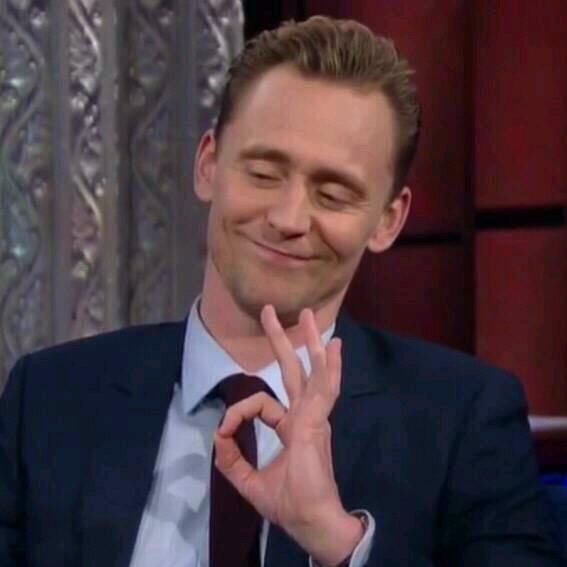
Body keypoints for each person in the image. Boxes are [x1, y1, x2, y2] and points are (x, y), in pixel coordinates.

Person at [0, 15, 562, 567]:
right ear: (208, 165)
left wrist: (338, 544)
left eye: (333, 194)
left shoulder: (463, 421)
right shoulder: (49, 400)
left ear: (388, 220)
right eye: (264, 173)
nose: (289, 218)